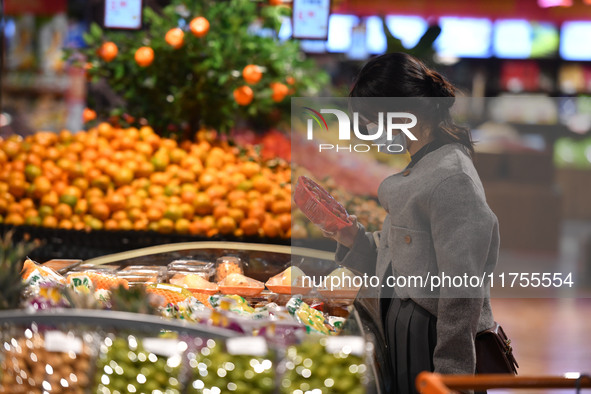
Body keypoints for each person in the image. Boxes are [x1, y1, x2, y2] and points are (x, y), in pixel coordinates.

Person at [324, 52, 499, 393]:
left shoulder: (452, 178)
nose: (372, 132)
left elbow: (462, 291)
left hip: (428, 343)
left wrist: (449, 378)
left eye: (372, 120)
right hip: (405, 335)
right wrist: (354, 239)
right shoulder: (422, 165)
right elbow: (407, 256)